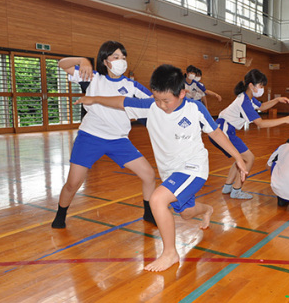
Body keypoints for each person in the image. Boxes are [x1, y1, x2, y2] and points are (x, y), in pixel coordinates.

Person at [75, 64, 248, 272]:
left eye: (166, 100)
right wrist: (94, 99)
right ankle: (207, 210)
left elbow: (216, 133)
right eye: (157, 99)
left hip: (194, 168)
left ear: (182, 93)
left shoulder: (195, 109)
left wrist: (238, 157)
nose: (161, 105)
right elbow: (120, 102)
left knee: (158, 199)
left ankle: (170, 253)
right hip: (171, 172)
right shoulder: (151, 106)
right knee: (185, 213)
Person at [51, 41, 156, 229]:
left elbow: (154, 101)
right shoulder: (92, 77)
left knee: (148, 174)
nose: (120, 61)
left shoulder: (132, 85)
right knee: (72, 183)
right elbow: (62, 64)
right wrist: (82, 60)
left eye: (123, 57)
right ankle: (60, 215)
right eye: (115, 57)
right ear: (105, 60)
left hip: (119, 140)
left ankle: (148, 213)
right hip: (90, 137)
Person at [211, 69, 289, 200]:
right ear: (251, 85)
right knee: (249, 158)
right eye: (261, 86)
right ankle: (236, 190)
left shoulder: (247, 98)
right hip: (224, 130)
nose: (262, 89)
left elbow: (262, 106)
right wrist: (285, 119)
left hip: (224, 129)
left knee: (240, 158)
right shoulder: (244, 102)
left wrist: (277, 99)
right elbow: (261, 124)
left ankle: (228, 187)